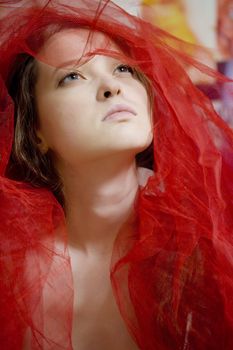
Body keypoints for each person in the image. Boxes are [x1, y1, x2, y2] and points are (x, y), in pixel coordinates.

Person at [0, 1, 233, 349]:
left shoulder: (207, 253)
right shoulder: (10, 275)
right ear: (35, 131)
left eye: (124, 69)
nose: (112, 87)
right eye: (72, 76)